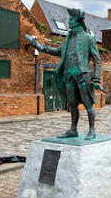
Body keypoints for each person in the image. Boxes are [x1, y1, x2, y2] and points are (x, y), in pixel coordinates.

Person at [26, 9, 102, 140]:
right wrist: (38, 46)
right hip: (69, 75)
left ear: (78, 21)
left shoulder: (88, 38)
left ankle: (92, 130)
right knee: (72, 105)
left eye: (71, 20)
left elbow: (97, 60)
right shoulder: (68, 38)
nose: (69, 22)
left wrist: (96, 79)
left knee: (88, 104)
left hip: (83, 76)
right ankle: (73, 130)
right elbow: (57, 51)